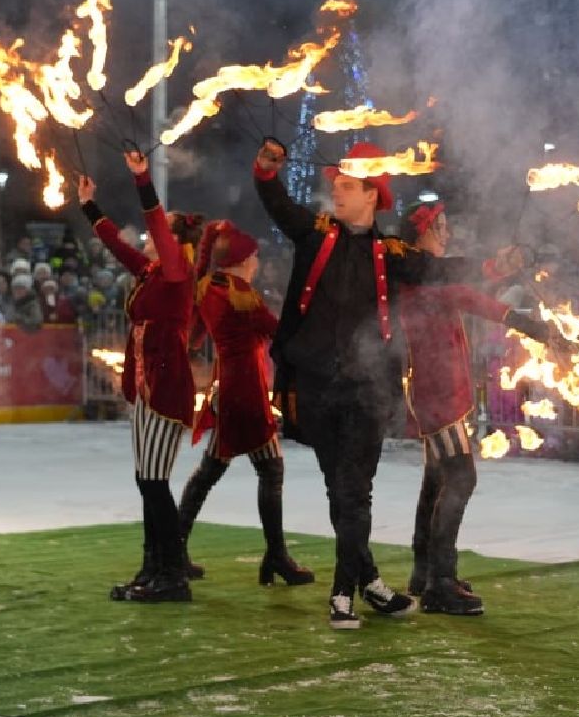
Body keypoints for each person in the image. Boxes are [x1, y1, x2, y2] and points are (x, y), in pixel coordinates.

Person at [252, 139, 478, 630]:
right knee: (342, 491)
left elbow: (438, 272)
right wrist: (267, 171)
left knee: (355, 492)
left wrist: (502, 266)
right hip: (315, 389)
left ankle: (342, 592)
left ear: (372, 196)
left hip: (368, 390)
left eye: (348, 186)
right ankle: (370, 580)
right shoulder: (315, 235)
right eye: (336, 184)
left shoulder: (389, 251)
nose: (336, 191)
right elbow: (275, 202)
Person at [396, 202, 551, 616]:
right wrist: (520, 320)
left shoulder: (423, 272)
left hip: (441, 390)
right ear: (420, 234)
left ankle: (425, 572)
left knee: (437, 479)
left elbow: (463, 281)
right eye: (439, 227)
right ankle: (440, 582)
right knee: (461, 478)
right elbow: (463, 293)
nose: (446, 234)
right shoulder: (419, 276)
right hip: (437, 392)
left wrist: (502, 266)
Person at [78, 151, 201, 604]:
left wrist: (142, 180)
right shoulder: (153, 273)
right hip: (149, 387)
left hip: (166, 389)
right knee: (148, 481)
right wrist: (90, 206)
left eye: (161, 231)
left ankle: (171, 574)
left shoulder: (176, 271)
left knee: (153, 483)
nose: (151, 236)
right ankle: (155, 567)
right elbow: (116, 244)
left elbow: (155, 228)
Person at [175, 219, 314, 587]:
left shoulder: (209, 288)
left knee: (211, 471)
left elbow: (196, 328)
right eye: (253, 257)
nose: (256, 263)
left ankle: (175, 548)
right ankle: (276, 556)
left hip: (228, 389)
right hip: (247, 392)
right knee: (269, 471)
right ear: (239, 260)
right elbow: (277, 331)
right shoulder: (240, 294)